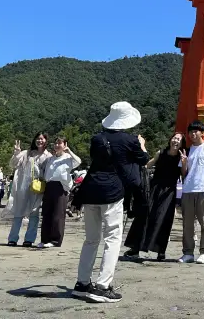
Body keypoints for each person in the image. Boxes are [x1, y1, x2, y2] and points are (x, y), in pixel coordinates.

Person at [72, 102, 148, 303]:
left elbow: (96, 161)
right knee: (113, 238)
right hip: (112, 191)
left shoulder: (97, 138)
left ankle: (82, 283)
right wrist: (141, 144)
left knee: (91, 239)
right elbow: (143, 159)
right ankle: (103, 285)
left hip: (91, 190)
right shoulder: (130, 140)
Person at [124, 132, 185, 261]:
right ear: (170, 140)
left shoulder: (181, 157)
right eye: (174, 138)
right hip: (154, 188)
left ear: (181, 144)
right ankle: (135, 248)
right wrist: (140, 149)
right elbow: (147, 165)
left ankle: (160, 250)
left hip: (169, 192)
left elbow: (184, 175)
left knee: (163, 219)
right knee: (144, 216)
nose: (176, 141)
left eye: (179, 140)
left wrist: (184, 162)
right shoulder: (160, 152)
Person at [178, 120, 204, 264]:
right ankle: (188, 253)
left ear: (202, 132)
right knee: (187, 225)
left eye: (196, 131)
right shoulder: (187, 151)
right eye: (190, 132)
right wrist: (183, 163)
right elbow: (184, 173)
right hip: (188, 190)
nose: (193, 134)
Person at [6, 133, 52, 247]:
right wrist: (16, 152)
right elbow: (13, 164)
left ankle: (29, 239)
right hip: (23, 186)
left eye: (42, 139)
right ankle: (12, 238)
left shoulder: (49, 156)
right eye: (38, 138)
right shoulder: (27, 153)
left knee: (34, 214)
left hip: (38, 188)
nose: (39, 141)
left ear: (46, 141)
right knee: (18, 213)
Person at [38, 137, 81, 248]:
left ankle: (55, 240)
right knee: (46, 214)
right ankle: (45, 239)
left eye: (59, 143)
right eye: (55, 143)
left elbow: (78, 161)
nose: (57, 145)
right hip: (49, 186)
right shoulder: (51, 159)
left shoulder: (68, 158)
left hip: (61, 187)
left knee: (58, 215)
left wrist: (69, 151)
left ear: (64, 144)